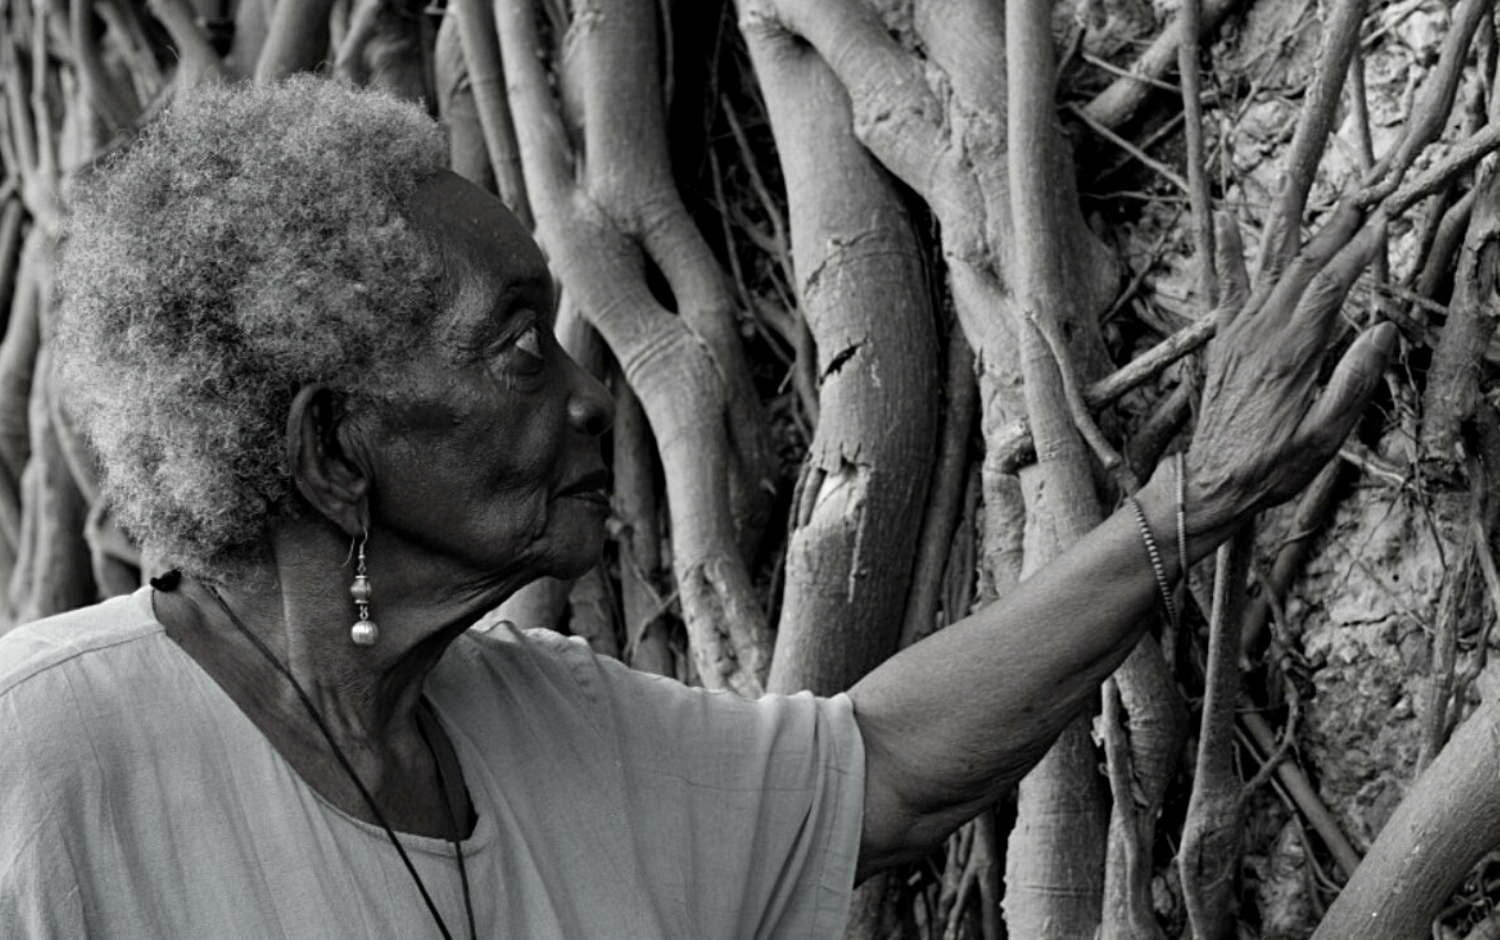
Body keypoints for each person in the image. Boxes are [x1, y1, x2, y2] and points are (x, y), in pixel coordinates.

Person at [0, 76, 1393, 939]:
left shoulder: (547, 723)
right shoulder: (42, 760)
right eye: (512, 348)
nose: (591, 394)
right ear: (329, 451)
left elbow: (887, 772)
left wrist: (1195, 498)